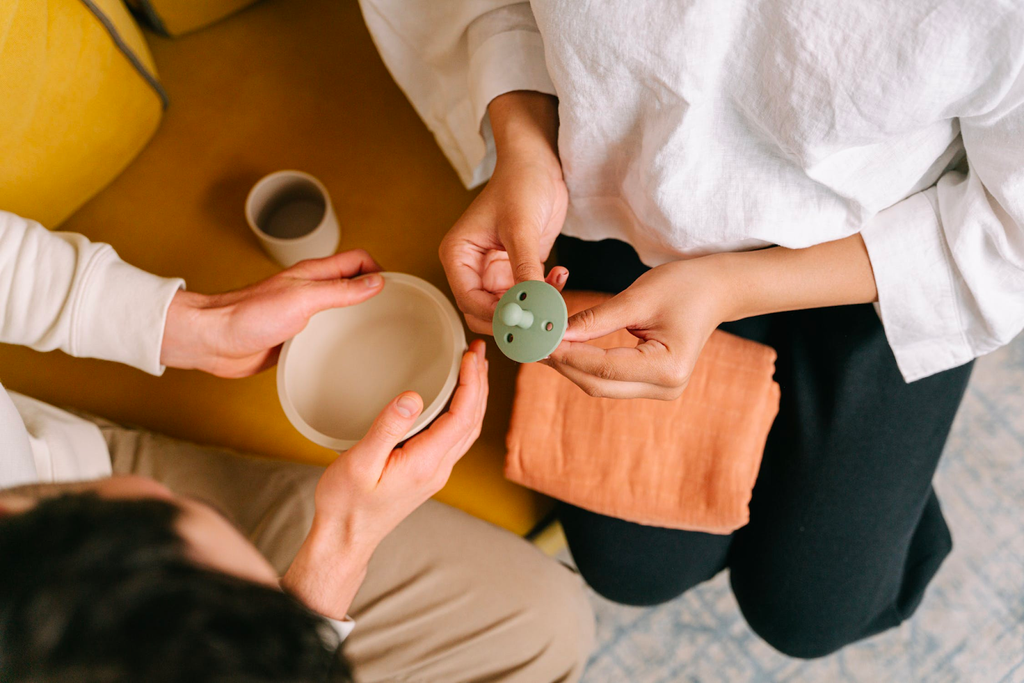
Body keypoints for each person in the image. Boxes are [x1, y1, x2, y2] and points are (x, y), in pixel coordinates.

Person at [358, 0, 1024, 659]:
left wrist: (731, 288)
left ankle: (879, 482)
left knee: (811, 610)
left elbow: (1009, 233)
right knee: (634, 566)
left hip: (880, 252)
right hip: (630, 204)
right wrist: (524, 145)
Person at [0, 209, 594, 682]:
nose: (163, 490)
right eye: (157, 515)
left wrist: (196, 325)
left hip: (56, 466)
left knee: (546, 623)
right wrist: (342, 546)